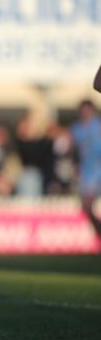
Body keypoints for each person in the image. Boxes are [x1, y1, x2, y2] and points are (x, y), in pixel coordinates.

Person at [69, 99, 101, 238]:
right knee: (85, 206)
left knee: (88, 202)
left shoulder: (98, 125)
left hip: (98, 168)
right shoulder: (76, 128)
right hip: (86, 171)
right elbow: (73, 149)